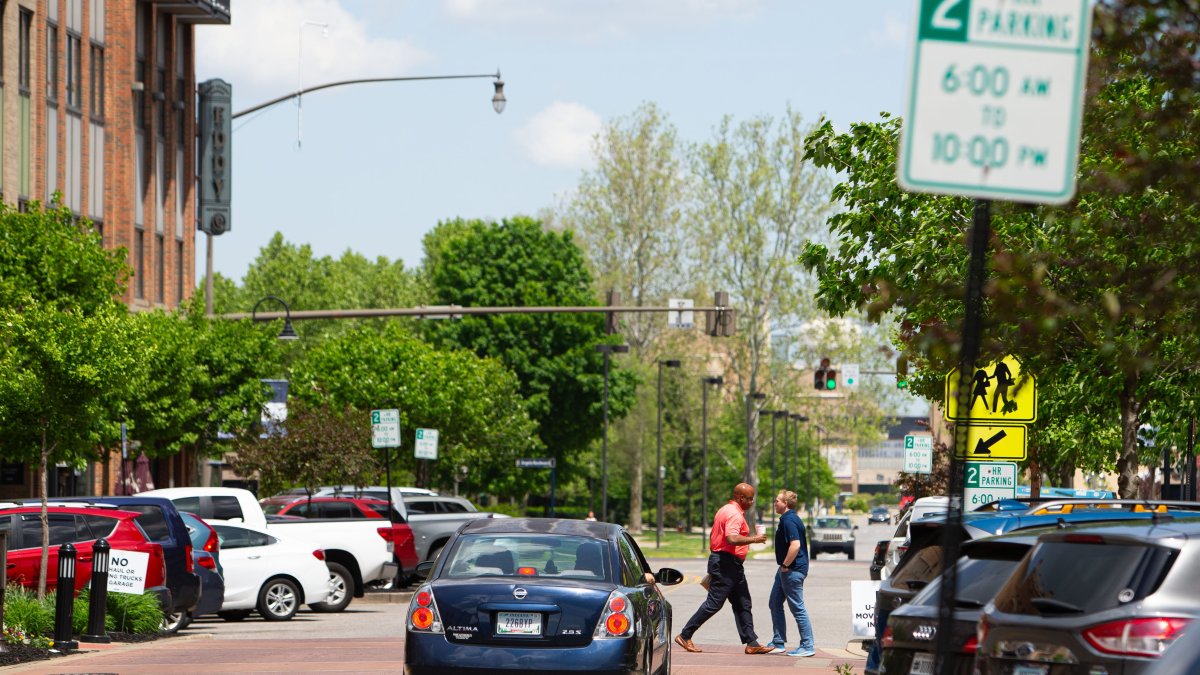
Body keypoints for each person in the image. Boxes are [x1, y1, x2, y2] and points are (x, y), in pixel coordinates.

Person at [674, 482, 773, 655]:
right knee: (714, 603)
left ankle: (752, 642)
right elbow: (732, 539)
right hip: (725, 563)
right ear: (740, 498)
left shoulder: (725, 509)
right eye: (749, 499)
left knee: (743, 602)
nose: (752, 502)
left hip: (731, 564)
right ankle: (685, 635)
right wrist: (754, 539)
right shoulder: (734, 514)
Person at [766, 490, 815, 657]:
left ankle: (807, 645)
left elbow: (795, 545)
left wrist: (786, 565)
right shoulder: (788, 519)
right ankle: (778, 642)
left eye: (777, 500)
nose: (775, 503)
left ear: (785, 503)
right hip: (785, 569)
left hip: (792, 570)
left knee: (797, 608)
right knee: (774, 602)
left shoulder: (789, 520)